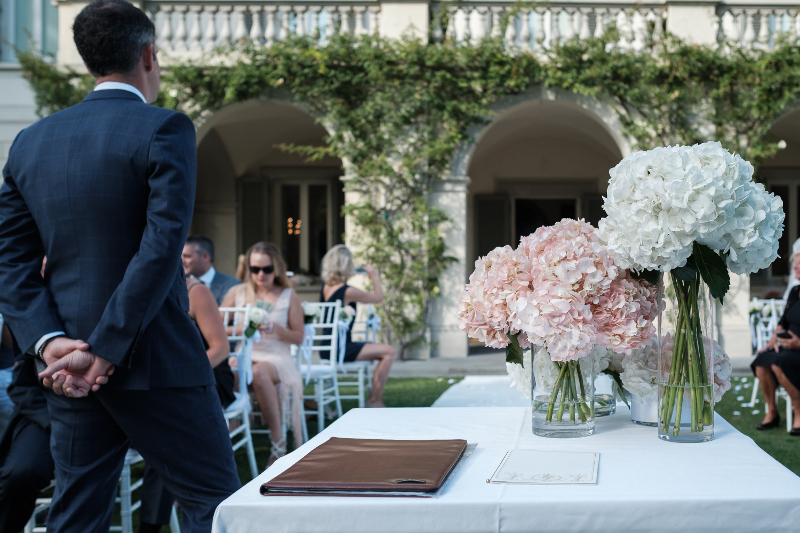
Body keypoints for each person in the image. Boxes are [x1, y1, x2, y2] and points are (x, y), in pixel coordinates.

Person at [0, 1, 240, 531]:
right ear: (149, 54)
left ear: (88, 60)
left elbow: (10, 260)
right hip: (159, 363)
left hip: (68, 369)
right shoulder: (166, 128)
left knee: (77, 514)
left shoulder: (29, 143)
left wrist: (49, 343)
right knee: (217, 507)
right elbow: (160, 250)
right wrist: (105, 351)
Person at [139, 278, 235, 533]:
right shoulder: (142, 289)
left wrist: (182, 376)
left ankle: (151, 525)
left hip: (207, 374)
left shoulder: (197, 292)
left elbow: (220, 348)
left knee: (165, 434)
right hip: (161, 380)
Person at [221, 242, 306, 465]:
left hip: (276, 357)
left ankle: (278, 444)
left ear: (276, 268)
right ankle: (221, 440)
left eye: (266, 269)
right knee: (223, 375)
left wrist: (277, 329)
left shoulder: (288, 295)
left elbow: (299, 337)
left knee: (258, 372)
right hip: (243, 355)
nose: (260, 274)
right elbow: (217, 327)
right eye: (255, 269)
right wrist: (244, 328)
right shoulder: (237, 292)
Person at [320, 245, 395, 408]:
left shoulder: (325, 286)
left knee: (385, 351)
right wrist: (374, 276)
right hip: (341, 348)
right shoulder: (347, 291)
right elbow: (378, 298)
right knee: (389, 351)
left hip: (327, 347)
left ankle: (374, 399)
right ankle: (374, 400)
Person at [753, 256, 800, 435]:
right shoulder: (795, 291)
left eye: (799, 263)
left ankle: (798, 411)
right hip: (787, 346)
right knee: (762, 361)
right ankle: (772, 412)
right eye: (794, 263)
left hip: (797, 349)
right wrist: (772, 340)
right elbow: (782, 321)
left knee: (779, 362)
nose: (795, 266)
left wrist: (797, 344)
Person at [183, 235, 241, 305]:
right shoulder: (179, 284)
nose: (181, 261)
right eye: (180, 256)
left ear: (205, 257)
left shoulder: (233, 286)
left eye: (187, 256)